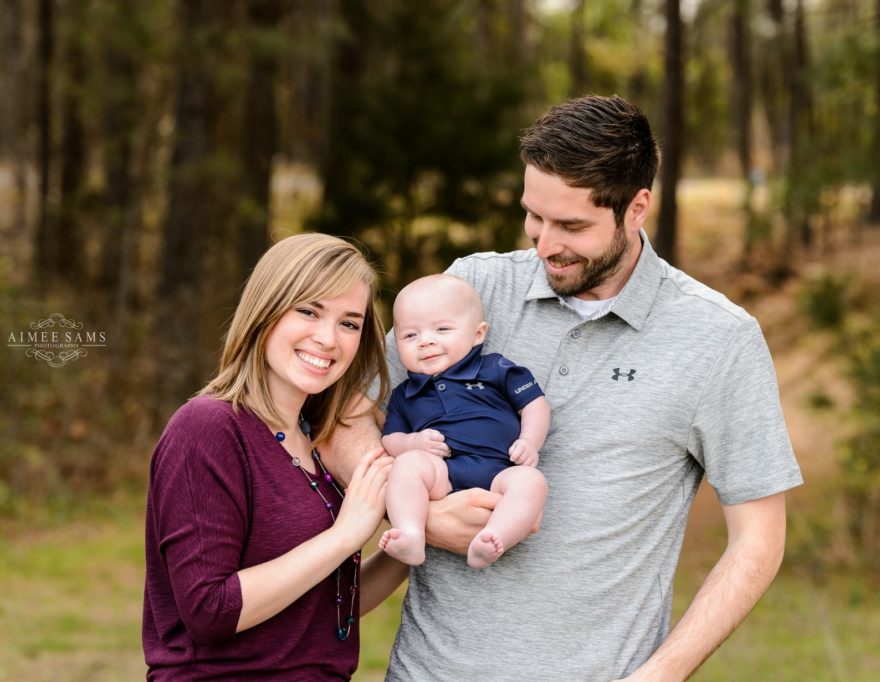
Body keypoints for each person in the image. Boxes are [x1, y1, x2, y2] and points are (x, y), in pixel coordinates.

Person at [326, 95, 804, 681]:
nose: (545, 244)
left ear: (637, 208)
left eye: (572, 225)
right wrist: (424, 511)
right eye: (535, 217)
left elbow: (758, 542)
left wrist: (661, 675)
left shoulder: (718, 338)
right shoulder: (471, 288)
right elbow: (348, 414)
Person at [142, 233, 408, 680]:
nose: (328, 338)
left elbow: (323, 609)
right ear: (266, 310)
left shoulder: (318, 441)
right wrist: (344, 536)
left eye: (349, 323)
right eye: (308, 311)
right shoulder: (209, 428)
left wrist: (413, 545)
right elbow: (210, 611)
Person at [378, 274, 550, 569]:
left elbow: (535, 405)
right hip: (442, 473)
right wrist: (412, 442)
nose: (426, 341)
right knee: (407, 466)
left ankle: (494, 538)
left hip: (500, 470)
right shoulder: (405, 394)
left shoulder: (494, 368)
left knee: (532, 482)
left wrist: (529, 442)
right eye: (410, 336)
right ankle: (410, 535)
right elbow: (390, 439)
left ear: (477, 334)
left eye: (442, 329)